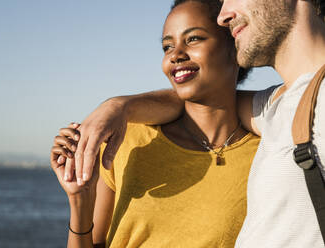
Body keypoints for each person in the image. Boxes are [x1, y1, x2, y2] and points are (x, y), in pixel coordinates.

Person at [53, 0, 325, 247]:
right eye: (167, 46)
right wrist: (117, 107)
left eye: (193, 39)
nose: (175, 55)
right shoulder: (128, 139)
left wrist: (119, 107)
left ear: (232, 45)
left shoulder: (267, 141)